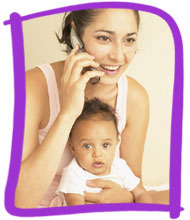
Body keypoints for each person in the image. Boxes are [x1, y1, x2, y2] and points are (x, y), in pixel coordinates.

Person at [15, 8, 169, 208]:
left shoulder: (134, 97)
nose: (118, 56)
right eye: (104, 38)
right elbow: (19, 202)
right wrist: (68, 113)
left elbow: (132, 183)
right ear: (75, 35)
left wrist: (124, 198)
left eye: (129, 40)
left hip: (106, 202)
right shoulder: (32, 87)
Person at [56, 98, 153, 206]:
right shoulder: (73, 173)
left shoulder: (120, 167)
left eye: (105, 145)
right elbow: (76, 209)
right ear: (73, 148)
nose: (97, 154)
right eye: (87, 146)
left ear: (116, 143)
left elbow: (140, 193)